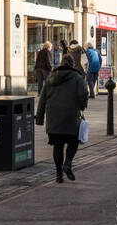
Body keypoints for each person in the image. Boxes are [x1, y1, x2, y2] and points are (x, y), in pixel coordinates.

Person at [35, 47, 88, 183]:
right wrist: (82, 107)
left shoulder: (51, 77)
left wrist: (39, 118)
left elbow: (42, 99)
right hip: (71, 116)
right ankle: (68, 163)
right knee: (73, 142)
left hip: (54, 117)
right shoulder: (78, 78)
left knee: (57, 146)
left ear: (61, 63)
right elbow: (83, 96)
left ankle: (59, 175)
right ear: (73, 64)